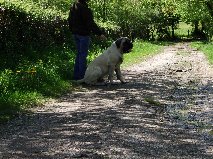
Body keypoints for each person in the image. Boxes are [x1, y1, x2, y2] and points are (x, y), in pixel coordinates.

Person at [68, 0, 106, 80]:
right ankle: (82, 77)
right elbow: (91, 23)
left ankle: (76, 76)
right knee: (82, 56)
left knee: (79, 55)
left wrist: (73, 31)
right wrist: (99, 34)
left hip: (75, 34)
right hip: (83, 35)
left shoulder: (73, 7)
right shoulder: (85, 9)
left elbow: (69, 21)